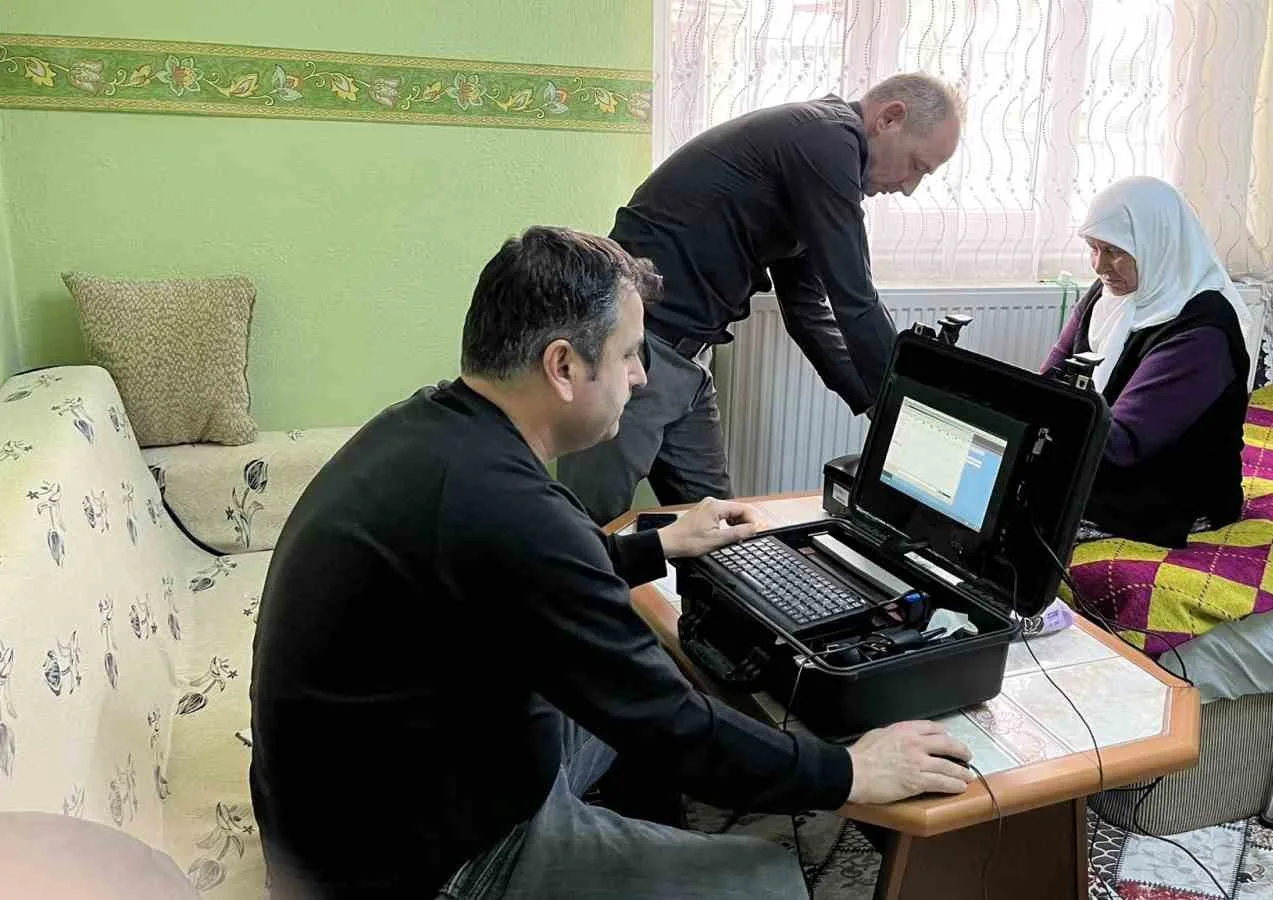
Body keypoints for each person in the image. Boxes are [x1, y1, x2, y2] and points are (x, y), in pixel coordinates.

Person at [248, 226, 974, 900]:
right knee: (762, 879)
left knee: (645, 690)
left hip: (353, 796)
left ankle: (631, 842)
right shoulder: (514, 509)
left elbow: (512, 574)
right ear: (563, 365)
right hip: (409, 868)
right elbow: (671, 726)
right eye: (629, 354)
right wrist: (851, 771)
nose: (642, 378)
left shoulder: (436, 435)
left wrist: (655, 545)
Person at [557, 73, 964, 526]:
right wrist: (903, 409)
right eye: (918, 166)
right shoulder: (826, 139)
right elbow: (856, 299)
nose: (909, 186)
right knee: (582, 534)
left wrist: (875, 405)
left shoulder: (814, 160)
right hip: (633, 351)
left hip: (688, 360)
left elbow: (809, 313)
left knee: (725, 531)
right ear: (889, 118)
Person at [1040, 176, 1251, 548]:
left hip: (1170, 495)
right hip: (1107, 462)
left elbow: (1123, 444)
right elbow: (1048, 383)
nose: (1100, 266)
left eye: (1115, 251)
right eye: (1094, 248)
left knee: (1031, 525)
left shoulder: (1202, 331)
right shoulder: (1107, 295)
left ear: (1159, 243)